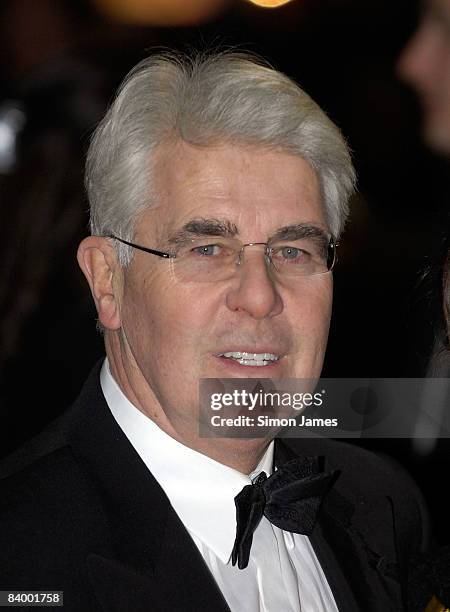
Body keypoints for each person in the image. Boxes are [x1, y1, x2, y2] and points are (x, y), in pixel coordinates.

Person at [0, 51, 429, 612]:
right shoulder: (19, 550)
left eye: (293, 250)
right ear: (108, 282)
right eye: (207, 249)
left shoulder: (383, 507)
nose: (259, 296)